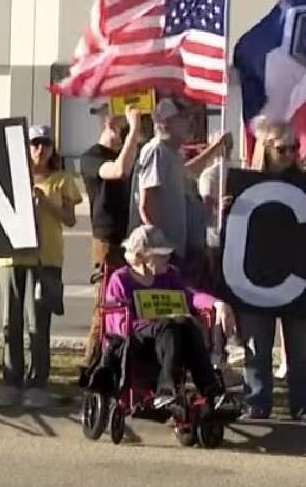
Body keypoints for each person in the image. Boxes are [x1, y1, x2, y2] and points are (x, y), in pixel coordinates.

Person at [0, 125, 81, 407]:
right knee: (11, 321)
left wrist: (45, 203)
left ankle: (36, 381)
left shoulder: (62, 180)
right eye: (34, 144)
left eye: (45, 144)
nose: (39, 149)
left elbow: (70, 219)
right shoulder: (10, 177)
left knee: (38, 323)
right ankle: (11, 379)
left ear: (53, 148)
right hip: (10, 256)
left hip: (45, 258)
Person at [102, 225, 235, 410]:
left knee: (186, 323)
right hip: (136, 340)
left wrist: (216, 303)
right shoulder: (120, 280)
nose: (168, 258)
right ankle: (165, 391)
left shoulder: (169, 274)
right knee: (168, 324)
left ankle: (211, 390)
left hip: (169, 337)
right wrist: (157, 320)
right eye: (161, 254)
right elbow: (121, 324)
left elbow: (190, 295)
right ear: (142, 257)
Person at [228, 117, 306, 420]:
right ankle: (257, 404)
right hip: (255, 279)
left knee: (300, 352)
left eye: (295, 148)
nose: (290, 155)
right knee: (256, 349)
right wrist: (227, 210)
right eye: (283, 149)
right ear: (267, 149)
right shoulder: (245, 186)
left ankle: (302, 405)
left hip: (297, 280)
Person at [129, 99, 229, 282]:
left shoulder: (171, 153)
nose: (189, 122)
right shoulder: (156, 151)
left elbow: (189, 172)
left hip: (174, 252)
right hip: (160, 255)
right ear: (165, 123)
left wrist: (216, 147)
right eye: (183, 118)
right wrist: (158, 247)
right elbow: (146, 205)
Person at [78, 105, 143, 367]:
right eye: (124, 129)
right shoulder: (91, 157)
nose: (130, 135)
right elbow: (118, 171)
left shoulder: (124, 153)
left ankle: (119, 360)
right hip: (107, 239)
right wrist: (135, 129)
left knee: (129, 302)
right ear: (110, 125)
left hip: (129, 238)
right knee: (106, 302)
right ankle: (91, 363)